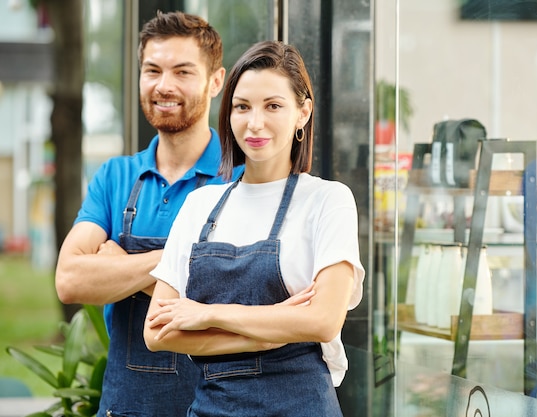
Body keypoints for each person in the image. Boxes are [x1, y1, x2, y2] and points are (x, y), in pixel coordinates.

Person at [143, 40, 365, 416]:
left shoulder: (328, 200)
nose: (255, 122)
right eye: (242, 106)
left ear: (303, 112)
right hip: (212, 407)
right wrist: (274, 332)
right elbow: (157, 332)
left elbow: (324, 321)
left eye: (273, 106)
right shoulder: (200, 205)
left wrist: (208, 314)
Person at [54, 11, 244, 417]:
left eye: (182, 72)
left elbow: (243, 298)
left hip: (219, 407)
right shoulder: (115, 176)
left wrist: (121, 268)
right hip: (125, 407)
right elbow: (70, 280)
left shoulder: (242, 179)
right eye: (152, 70)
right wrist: (183, 263)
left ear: (216, 81)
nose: (164, 86)